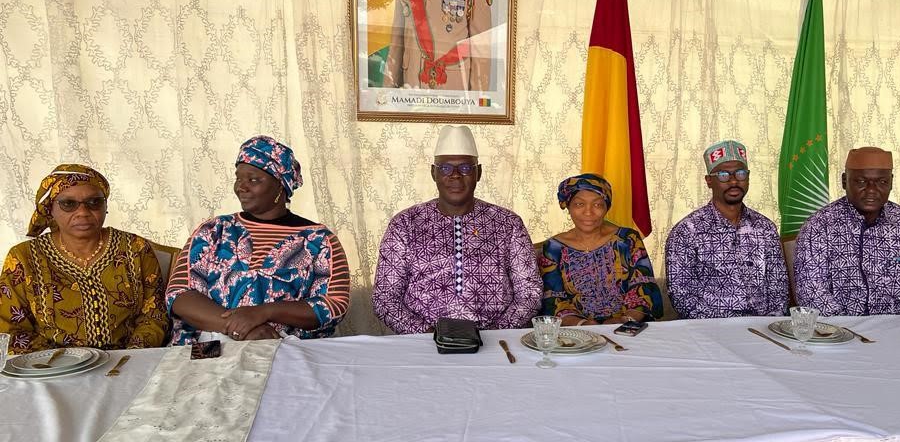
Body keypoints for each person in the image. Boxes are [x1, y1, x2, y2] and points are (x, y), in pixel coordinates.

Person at [166, 136, 351, 344]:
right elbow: (179, 294)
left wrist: (264, 312)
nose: (241, 187)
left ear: (281, 185)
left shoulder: (320, 240)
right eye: (238, 178)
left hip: (288, 352)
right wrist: (237, 327)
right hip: (210, 349)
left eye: (253, 179)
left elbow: (334, 304)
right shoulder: (213, 230)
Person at [373, 125, 541, 333]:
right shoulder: (405, 224)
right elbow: (385, 298)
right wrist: (426, 335)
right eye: (445, 168)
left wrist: (496, 333)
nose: (455, 175)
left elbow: (530, 293)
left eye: (465, 168)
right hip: (422, 344)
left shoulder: (508, 223)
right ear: (433, 173)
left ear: (478, 173)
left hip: (496, 342)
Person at [0, 164, 167, 353]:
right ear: (50, 209)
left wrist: (129, 357)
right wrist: (61, 363)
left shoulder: (135, 248)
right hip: (52, 369)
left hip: (125, 363)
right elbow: (10, 329)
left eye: (94, 202)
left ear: (105, 206)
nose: (83, 212)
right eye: (68, 204)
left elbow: (154, 314)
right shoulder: (23, 258)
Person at [794, 147, 900, 316]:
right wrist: (849, 332)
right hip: (837, 334)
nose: (872, 190)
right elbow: (810, 292)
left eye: (882, 182)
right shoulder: (819, 226)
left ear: (891, 182)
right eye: (861, 182)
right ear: (844, 181)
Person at [665, 141, 789, 319]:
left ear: (748, 177)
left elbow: (779, 287)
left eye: (740, 173)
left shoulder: (765, 228)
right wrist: (723, 329)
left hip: (762, 330)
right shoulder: (687, 231)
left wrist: (770, 323)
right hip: (708, 331)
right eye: (723, 175)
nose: (733, 181)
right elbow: (681, 295)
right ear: (709, 181)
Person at [538, 174, 662, 325]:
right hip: (575, 332)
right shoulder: (553, 248)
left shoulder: (628, 240)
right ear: (568, 207)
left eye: (597, 205)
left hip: (627, 327)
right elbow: (553, 300)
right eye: (579, 204)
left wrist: (625, 320)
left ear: (606, 207)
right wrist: (583, 325)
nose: (588, 212)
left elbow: (644, 286)